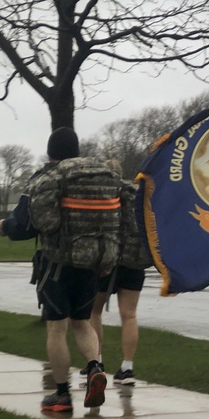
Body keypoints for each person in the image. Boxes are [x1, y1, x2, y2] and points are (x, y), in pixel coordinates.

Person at [0, 127, 107, 413]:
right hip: (91, 262)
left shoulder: (46, 178)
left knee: (57, 327)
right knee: (82, 322)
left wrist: (6, 227)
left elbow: (27, 223)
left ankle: (62, 395)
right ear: (77, 151)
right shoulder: (95, 179)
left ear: (50, 152)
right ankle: (94, 368)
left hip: (56, 264)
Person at [86, 160, 142, 387]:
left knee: (94, 312)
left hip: (107, 260)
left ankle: (96, 362)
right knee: (129, 315)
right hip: (134, 260)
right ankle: (127, 368)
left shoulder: (104, 194)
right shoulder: (136, 196)